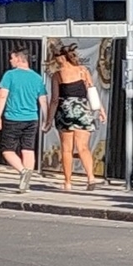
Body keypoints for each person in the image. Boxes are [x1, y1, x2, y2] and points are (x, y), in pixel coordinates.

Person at [46, 42, 101, 191]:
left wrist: (49, 120)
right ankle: (91, 178)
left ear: (60, 58)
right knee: (83, 147)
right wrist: (100, 109)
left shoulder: (57, 75)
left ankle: (68, 182)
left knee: (66, 149)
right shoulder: (83, 70)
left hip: (65, 111)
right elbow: (91, 90)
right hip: (83, 111)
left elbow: (54, 100)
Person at [0, 47, 48, 188]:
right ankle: (26, 182)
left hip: (13, 118)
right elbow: (43, 100)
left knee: (7, 150)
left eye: (12, 58)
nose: (10, 61)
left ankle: (23, 172)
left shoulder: (10, 75)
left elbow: (2, 95)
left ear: (18, 58)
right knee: (28, 149)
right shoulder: (37, 78)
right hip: (32, 118)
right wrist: (47, 119)